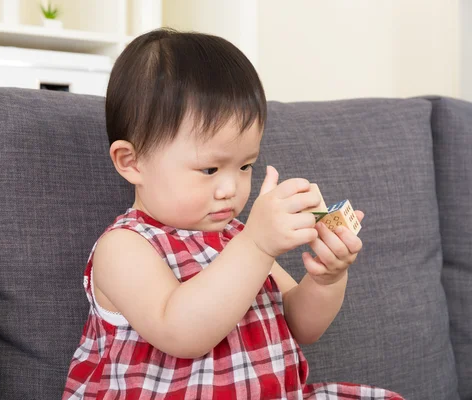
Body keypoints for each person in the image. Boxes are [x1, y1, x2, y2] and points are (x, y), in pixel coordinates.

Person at [62, 28, 403, 400]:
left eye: (245, 166)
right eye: (210, 170)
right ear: (132, 162)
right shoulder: (124, 247)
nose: (232, 188)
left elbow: (302, 326)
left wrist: (327, 279)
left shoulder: (238, 236)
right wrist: (256, 245)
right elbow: (182, 333)